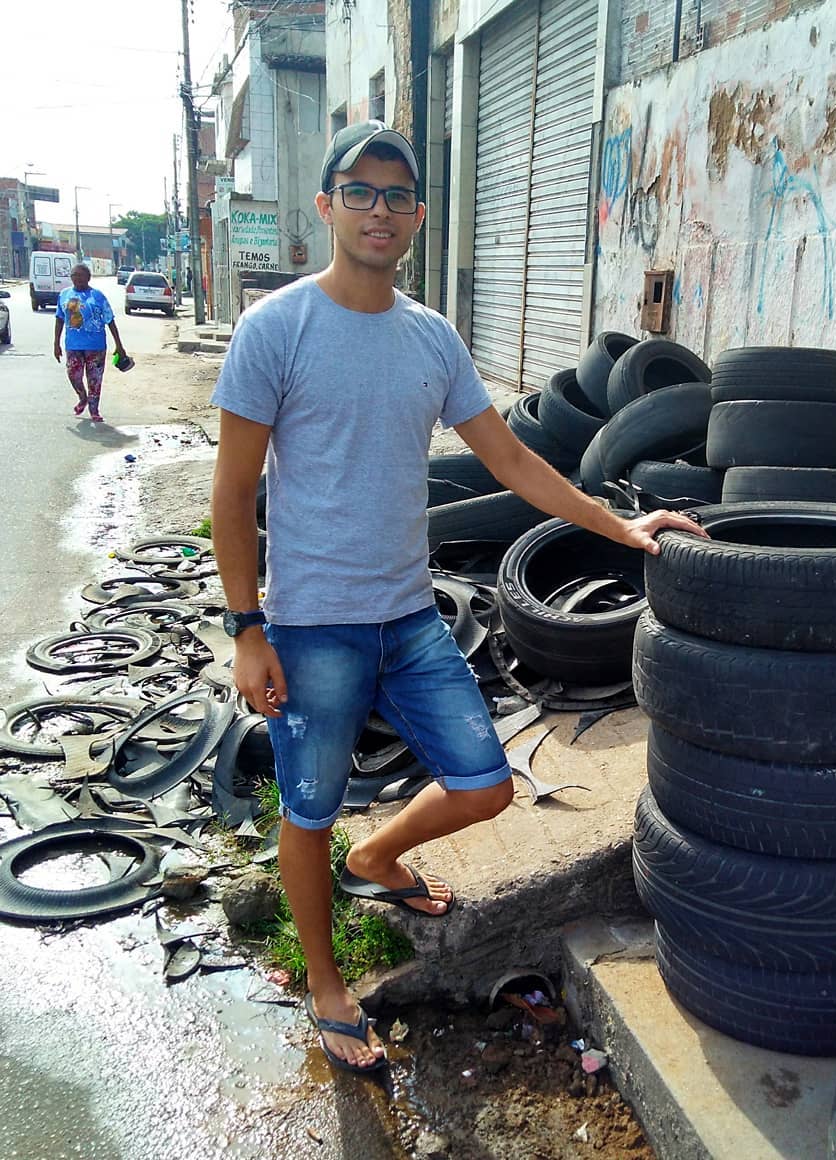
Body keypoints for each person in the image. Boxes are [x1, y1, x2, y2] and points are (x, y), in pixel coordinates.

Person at [209, 120, 706, 1076]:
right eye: (360, 191)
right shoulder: (276, 329)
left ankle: (377, 859)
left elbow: (514, 459)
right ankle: (325, 984)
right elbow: (232, 494)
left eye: (398, 195)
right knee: (307, 808)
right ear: (327, 208)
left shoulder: (430, 338)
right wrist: (247, 628)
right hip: (312, 625)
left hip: (407, 614)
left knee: (482, 783)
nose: (380, 210)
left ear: (420, 215)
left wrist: (623, 529)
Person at [53, 263, 127, 422]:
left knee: (95, 379)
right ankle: (82, 397)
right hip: (73, 345)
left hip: (96, 346)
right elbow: (59, 319)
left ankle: (94, 409)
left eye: (81, 275)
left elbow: (110, 321)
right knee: (73, 375)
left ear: (88, 277)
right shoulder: (65, 295)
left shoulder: (98, 296)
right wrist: (56, 343)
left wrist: (119, 346)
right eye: (74, 275)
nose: (78, 278)